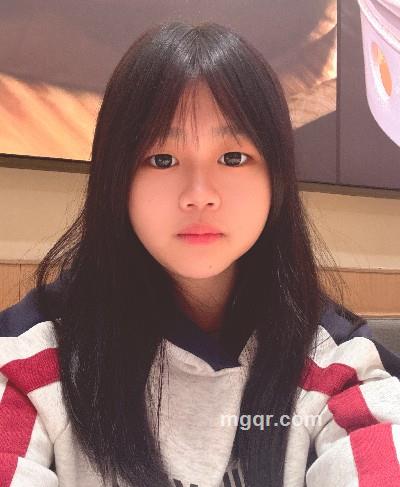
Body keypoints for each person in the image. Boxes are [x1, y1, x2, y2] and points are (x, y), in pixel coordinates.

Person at [0, 21, 399, 487]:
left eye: (233, 158)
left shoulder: (336, 363)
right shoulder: (35, 358)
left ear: (277, 178)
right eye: (162, 159)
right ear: (116, 178)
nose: (199, 194)